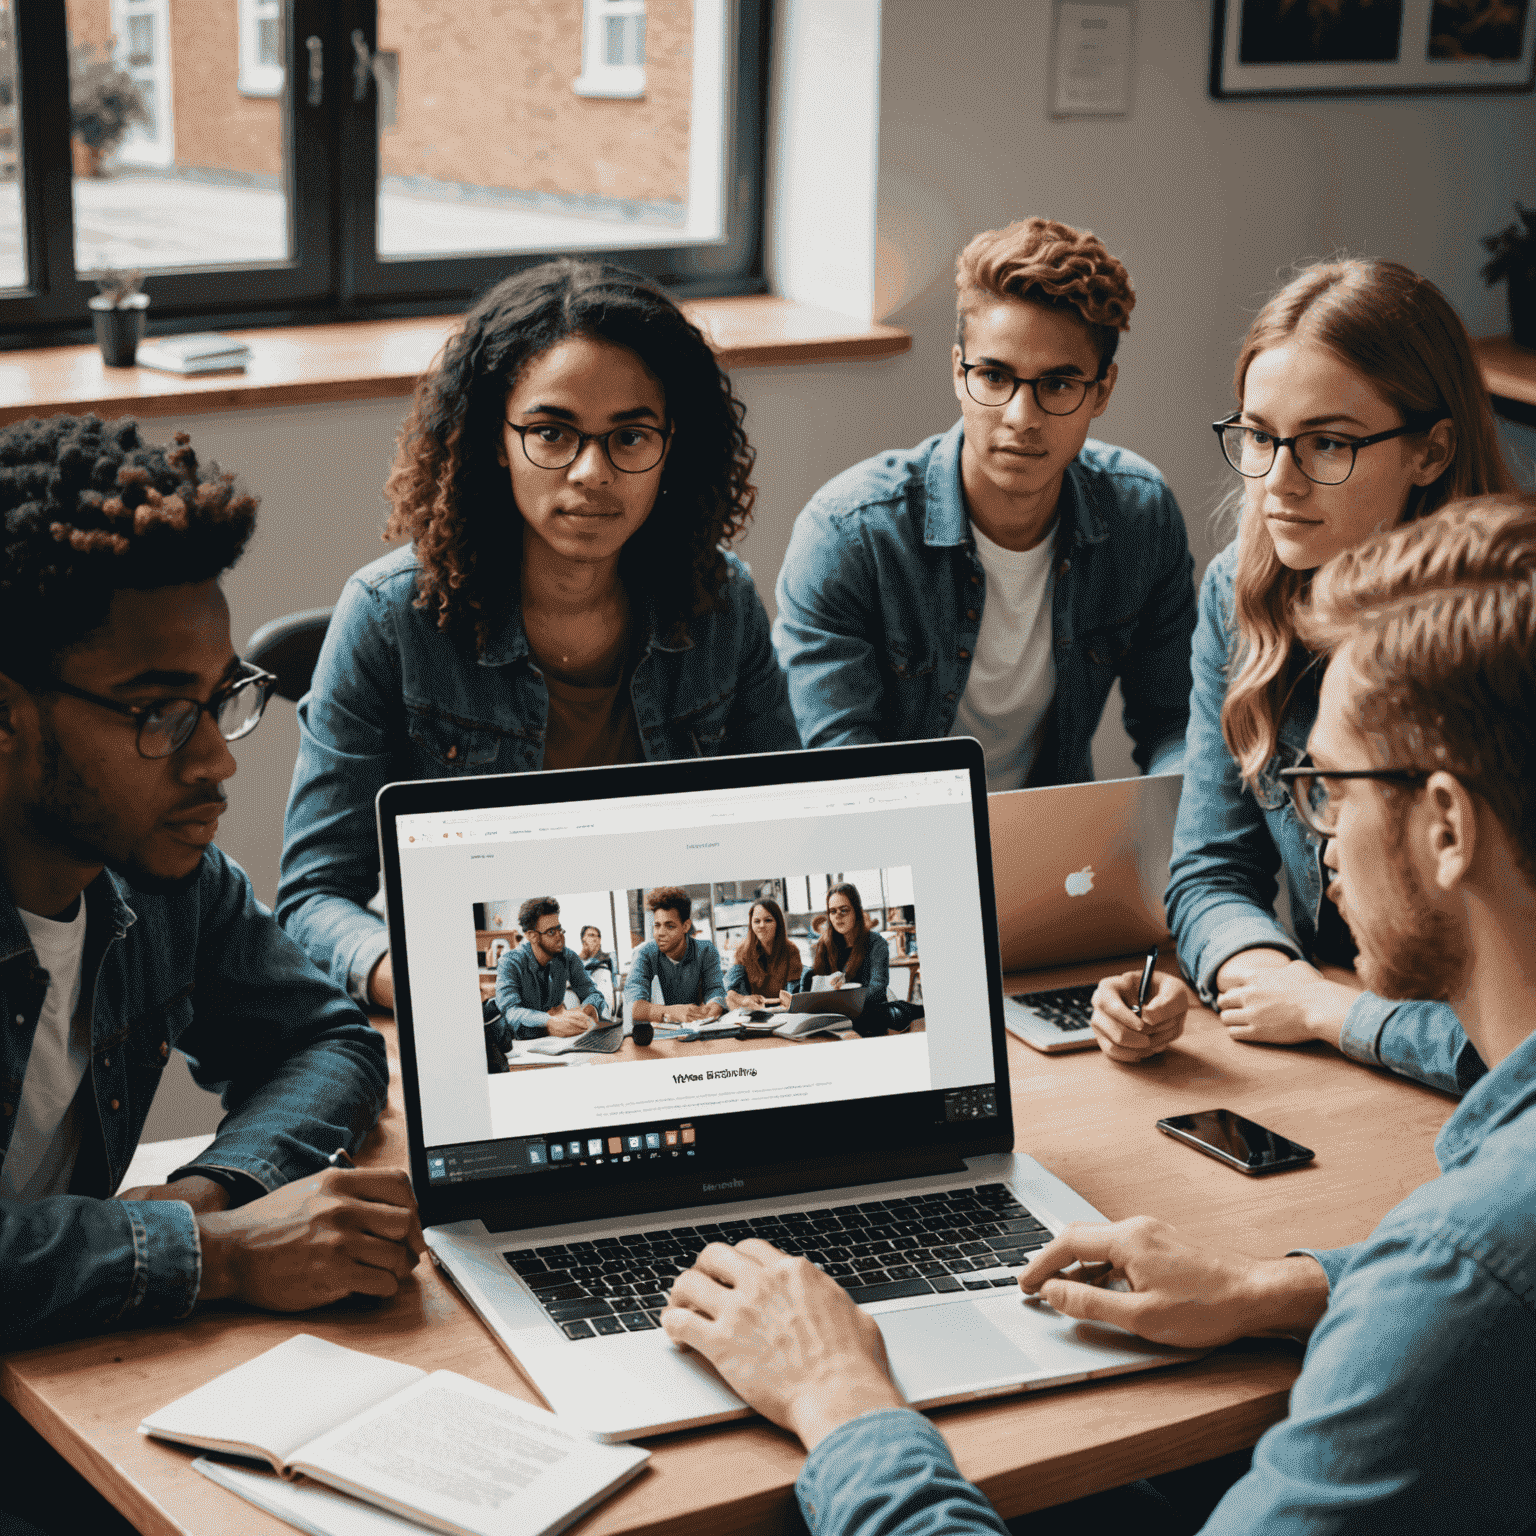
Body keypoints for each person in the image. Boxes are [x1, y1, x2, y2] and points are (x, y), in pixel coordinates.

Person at [658, 492, 1536, 1535]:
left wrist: (839, 1397)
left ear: (1445, 826)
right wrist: (1277, 1288)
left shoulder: (1462, 1266)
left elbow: (1461, 1291)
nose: (1321, 835)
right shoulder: (1464, 1262)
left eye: (1330, 786)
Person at [0, 415, 423, 1358]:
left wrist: (213, 1191)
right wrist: (216, 1253)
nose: (214, 765)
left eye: (218, 699)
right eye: (158, 712)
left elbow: (326, 1041)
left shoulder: (165, 886)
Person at [277, 259, 801, 1016]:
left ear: (671, 444)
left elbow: (788, 830)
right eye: (552, 433)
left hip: (674, 999)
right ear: (496, 439)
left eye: (630, 437)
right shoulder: (389, 617)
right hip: (481, 1009)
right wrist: (427, 984)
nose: (591, 472)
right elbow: (314, 897)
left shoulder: (720, 604)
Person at [1104, 259, 1516, 1082]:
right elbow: (1211, 869)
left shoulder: (1503, 637)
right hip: (1351, 1074)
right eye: (1259, 436)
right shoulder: (1240, 590)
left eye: (1327, 442)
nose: (1278, 484)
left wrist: (1334, 1014)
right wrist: (1251, 969)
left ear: (1432, 450)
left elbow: (1518, 1036)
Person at [773, 217, 1197, 790]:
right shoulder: (850, 535)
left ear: (1102, 391)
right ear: (957, 372)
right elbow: (844, 769)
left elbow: (1175, 720)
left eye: (1059, 385)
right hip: (899, 846)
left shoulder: (1138, 516)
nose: (1021, 418)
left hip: (1051, 848)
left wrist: (1172, 818)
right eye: (995, 377)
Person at [789, 883, 918, 1038]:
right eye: (832, 911)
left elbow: (877, 991)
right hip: (833, 1020)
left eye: (844, 910)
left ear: (856, 911)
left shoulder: (876, 944)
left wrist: (838, 998)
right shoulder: (825, 944)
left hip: (869, 1019)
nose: (838, 916)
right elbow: (812, 984)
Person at [493, 898, 609, 1045]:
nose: (560, 937)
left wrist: (586, 1009)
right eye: (551, 932)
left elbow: (593, 993)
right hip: (522, 1046)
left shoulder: (568, 957)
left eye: (559, 929)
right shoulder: (510, 962)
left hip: (560, 1043)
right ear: (532, 936)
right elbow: (510, 1012)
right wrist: (549, 1021)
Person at [625, 887, 726, 1026]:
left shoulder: (706, 950)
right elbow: (633, 1006)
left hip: (696, 1029)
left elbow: (716, 990)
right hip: (659, 1035)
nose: (660, 933)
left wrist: (714, 1007)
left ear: (685, 926)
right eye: (657, 925)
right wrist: (672, 1012)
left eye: (670, 926)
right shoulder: (644, 953)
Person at [725, 897, 803, 1009]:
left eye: (768, 920)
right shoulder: (743, 951)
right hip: (754, 1012)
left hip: (783, 1011)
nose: (762, 925)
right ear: (751, 925)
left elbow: (794, 992)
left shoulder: (791, 950)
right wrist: (744, 999)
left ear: (778, 923)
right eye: (757, 921)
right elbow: (728, 988)